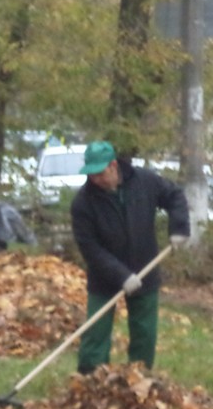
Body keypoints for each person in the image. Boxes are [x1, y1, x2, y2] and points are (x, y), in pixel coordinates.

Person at [70, 140, 189, 374]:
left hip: (145, 268)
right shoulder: (83, 203)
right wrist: (121, 276)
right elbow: (90, 249)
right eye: (91, 174)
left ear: (113, 165)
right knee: (96, 332)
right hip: (104, 276)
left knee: (144, 333)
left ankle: (138, 378)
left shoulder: (144, 182)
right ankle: (90, 380)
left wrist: (179, 228)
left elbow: (175, 195)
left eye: (100, 173)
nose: (95, 179)